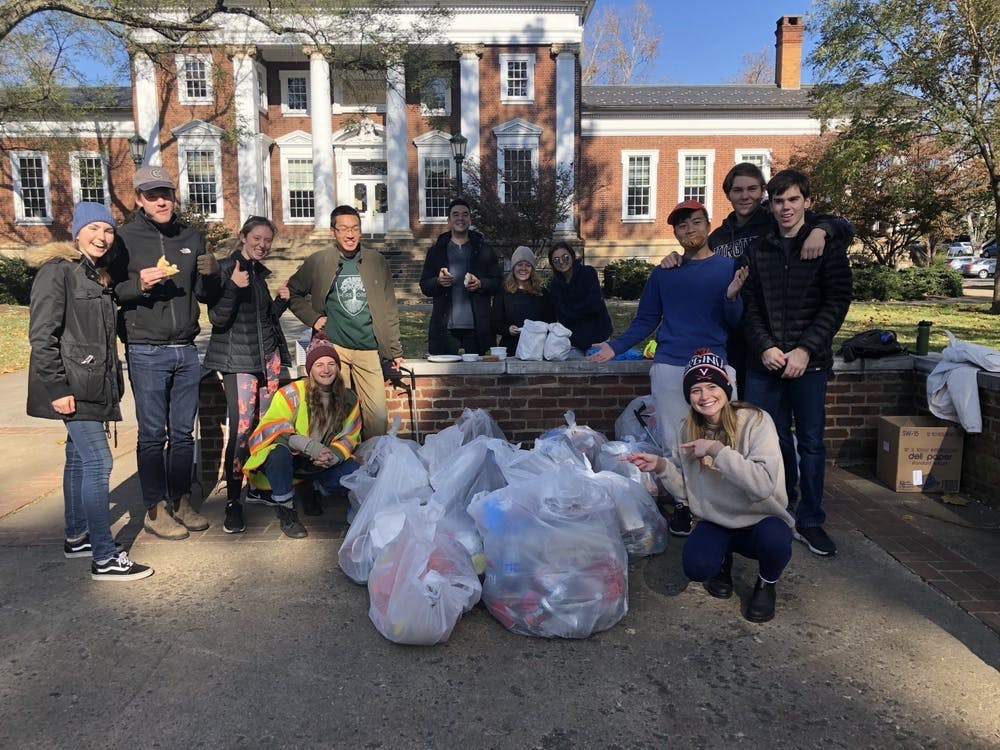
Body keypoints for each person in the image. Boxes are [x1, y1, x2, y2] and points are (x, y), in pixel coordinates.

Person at [589, 200, 746, 536]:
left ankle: (718, 501)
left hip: (714, 363)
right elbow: (647, 318)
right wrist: (614, 346)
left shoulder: (729, 268)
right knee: (675, 441)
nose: (690, 230)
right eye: (682, 225)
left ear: (708, 225)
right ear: (675, 232)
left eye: (696, 222)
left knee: (719, 437)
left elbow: (736, 323)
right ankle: (682, 505)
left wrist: (732, 297)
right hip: (671, 364)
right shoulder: (664, 272)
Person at [27, 202, 153, 580]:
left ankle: (77, 535)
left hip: (93, 385)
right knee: (99, 464)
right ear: (77, 232)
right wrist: (57, 387)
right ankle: (105, 556)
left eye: (108, 230)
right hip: (73, 387)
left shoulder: (96, 275)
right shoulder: (58, 273)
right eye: (94, 229)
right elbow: (42, 336)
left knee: (79, 460)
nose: (102, 237)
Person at [625, 349, 793, 623]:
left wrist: (717, 450)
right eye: (696, 390)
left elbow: (762, 486)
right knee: (697, 567)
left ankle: (766, 583)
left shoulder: (756, 420)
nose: (705, 397)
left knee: (775, 541)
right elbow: (689, 491)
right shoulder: (687, 428)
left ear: (726, 388)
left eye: (712, 386)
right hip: (717, 520)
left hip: (761, 518)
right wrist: (661, 466)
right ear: (688, 396)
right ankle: (722, 561)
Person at [661, 162, 853, 397]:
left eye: (752, 189)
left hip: (770, 337)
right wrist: (674, 257)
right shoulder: (719, 237)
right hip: (730, 336)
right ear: (728, 194)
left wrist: (821, 231)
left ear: (763, 192)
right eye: (737, 190)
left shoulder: (778, 221)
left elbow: (843, 224)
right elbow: (697, 258)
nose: (745, 196)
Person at [742, 169, 853, 557]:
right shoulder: (759, 249)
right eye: (778, 201)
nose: (785, 207)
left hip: (811, 364)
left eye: (792, 200)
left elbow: (836, 303)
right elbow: (749, 306)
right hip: (767, 363)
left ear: (806, 201)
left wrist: (805, 349)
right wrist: (765, 347)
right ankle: (781, 504)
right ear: (769, 206)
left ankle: (810, 519)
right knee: (768, 441)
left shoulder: (826, 245)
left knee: (810, 442)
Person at [112, 165, 221, 541]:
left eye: (166, 194)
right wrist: (137, 284)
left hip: (186, 350)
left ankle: (182, 500)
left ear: (174, 196)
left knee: (183, 435)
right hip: (146, 350)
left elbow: (206, 296)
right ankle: (155, 509)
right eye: (151, 195)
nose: (161, 201)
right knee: (151, 435)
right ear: (139, 199)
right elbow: (111, 291)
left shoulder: (192, 236)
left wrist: (212, 273)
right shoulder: (124, 239)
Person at [204, 216, 292, 534]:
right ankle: (233, 504)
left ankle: (255, 488)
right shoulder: (229, 268)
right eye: (256, 238)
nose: (262, 244)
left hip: (266, 360)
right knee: (241, 433)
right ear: (243, 236)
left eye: (267, 240)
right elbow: (217, 318)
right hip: (238, 362)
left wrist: (281, 303)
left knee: (261, 429)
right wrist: (232, 287)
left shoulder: (257, 273)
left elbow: (264, 319)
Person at [286, 205, 403, 442]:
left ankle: (372, 468)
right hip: (334, 350)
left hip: (369, 349)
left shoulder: (376, 261)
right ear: (333, 232)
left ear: (361, 231)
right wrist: (314, 318)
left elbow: (389, 308)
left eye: (355, 228)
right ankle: (339, 469)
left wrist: (394, 349)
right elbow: (292, 292)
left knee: (378, 418)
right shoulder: (319, 261)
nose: (350, 234)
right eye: (343, 229)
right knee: (336, 416)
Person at [242, 334, 362, 538]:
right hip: (293, 458)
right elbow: (272, 429)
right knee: (277, 454)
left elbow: (350, 436)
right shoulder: (291, 393)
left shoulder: (349, 398)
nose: (326, 370)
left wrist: (332, 455)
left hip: (321, 461)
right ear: (310, 369)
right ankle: (287, 511)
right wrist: (310, 447)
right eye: (319, 364)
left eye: (331, 363)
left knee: (355, 472)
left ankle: (313, 487)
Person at [419, 198, 502, 355]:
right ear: (449, 220)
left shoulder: (483, 250)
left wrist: (481, 283)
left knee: (479, 376)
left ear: (470, 219)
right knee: (446, 378)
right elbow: (425, 285)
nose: (460, 218)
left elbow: (497, 282)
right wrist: (438, 282)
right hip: (446, 328)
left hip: (477, 327)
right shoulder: (436, 251)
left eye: (465, 214)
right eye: (455, 214)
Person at [547, 241, 612, 355]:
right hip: (573, 342)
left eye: (565, 257)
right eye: (556, 260)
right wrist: (582, 308)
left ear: (572, 255)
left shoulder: (587, 273)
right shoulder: (555, 285)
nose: (562, 262)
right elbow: (561, 315)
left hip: (599, 337)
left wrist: (570, 311)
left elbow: (594, 304)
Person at [490, 245, 555, 356]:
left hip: (537, 349)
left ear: (533, 269)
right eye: (519, 265)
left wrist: (539, 329)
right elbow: (495, 322)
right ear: (513, 268)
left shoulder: (543, 294)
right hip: (510, 348)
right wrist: (508, 329)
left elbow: (551, 321)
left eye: (528, 265)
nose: (523, 268)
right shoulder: (503, 293)